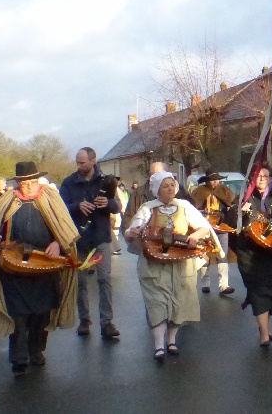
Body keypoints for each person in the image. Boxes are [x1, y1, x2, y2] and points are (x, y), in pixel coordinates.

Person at [0, 161, 81, 376]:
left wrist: (58, 243)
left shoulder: (50, 198)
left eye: (31, 182)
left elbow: (65, 230)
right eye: (23, 183)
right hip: (13, 267)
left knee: (41, 314)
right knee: (18, 315)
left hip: (45, 265)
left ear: (37, 180)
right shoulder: (6, 201)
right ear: (17, 182)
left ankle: (36, 350)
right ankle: (19, 358)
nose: (28, 187)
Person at [123, 172, 222, 359]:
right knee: (157, 301)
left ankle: (172, 340)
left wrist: (194, 236)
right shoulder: (147, 208)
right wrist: (131, 233)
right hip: (154, 262)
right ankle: (159, 345)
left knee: (179, 300)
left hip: (180, 262)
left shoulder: (184, 207)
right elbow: (130, 231)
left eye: (172, 184)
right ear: (157, 189)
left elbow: (203, 228)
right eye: (165, 185)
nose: (170, 188)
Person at [226, 166, 272, 347]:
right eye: (259, 176)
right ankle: (265, 335)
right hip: (250, 254)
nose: (263, 179)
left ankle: (263, 325)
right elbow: (229, 221)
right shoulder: (244, 197)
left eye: (266, 176)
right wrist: (240, 212)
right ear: (252, 178)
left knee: (271, 288)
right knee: (258, 289)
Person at [60, 147, 122, 340]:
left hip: (101, 237)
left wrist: (108, 204)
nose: (79, 166)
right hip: (78, 239)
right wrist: (77, 206)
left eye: (82, 163)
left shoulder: (105, 181)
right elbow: (60, 208)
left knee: (104, 280)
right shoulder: (69, 182)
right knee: (80, 282)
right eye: (77, 162)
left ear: (93, 161)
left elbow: (117, 206)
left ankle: (107, 323)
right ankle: (84, 320)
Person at [192, 171, 236, 296]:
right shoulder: (200, 191)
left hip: (221, 225)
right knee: (204, 253)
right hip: (204, 226)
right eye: (212, 179)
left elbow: (231, 205)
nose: (215, 182)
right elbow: (193, 207)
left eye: (217, 179)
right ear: (207, 180)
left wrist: (226, 210)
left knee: (222, 253)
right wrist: (201, 211)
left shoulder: (224, 191)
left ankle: (224, 285)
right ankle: (205, 284)